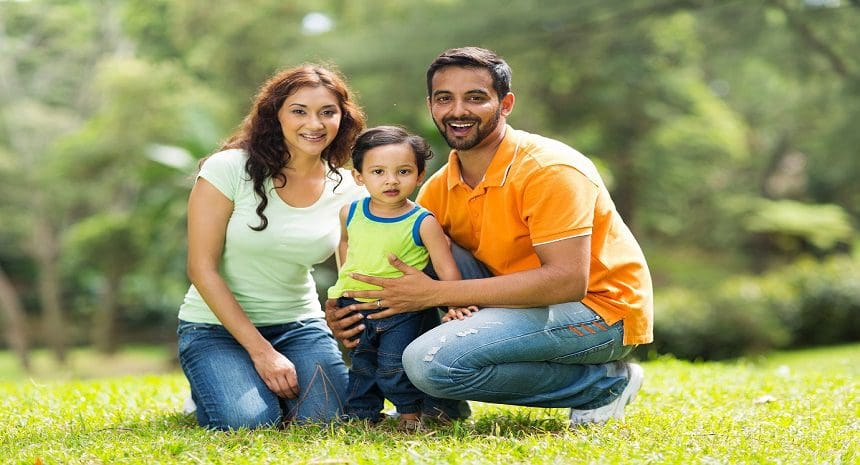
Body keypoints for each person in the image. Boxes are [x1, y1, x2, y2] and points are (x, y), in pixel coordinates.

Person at [326, 47, 653, 427]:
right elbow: (403, 272)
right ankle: (438, 407)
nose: (458, 111)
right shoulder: (436, 190)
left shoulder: (550, 170)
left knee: (430, 364)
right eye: (445, 98)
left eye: (476, 98)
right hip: (514, 303)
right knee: (422, 250)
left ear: (506, 103)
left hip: (599, 313)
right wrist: (352, 307)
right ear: (431, 105)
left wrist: (438, 294)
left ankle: (603, 384)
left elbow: (567, 281)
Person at [177, 64, 367, 430]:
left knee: (324, 421)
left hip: (299, 326)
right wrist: (262, 353)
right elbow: (201, 268)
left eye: (327, 112)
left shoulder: (349, 186)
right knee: (249, 422)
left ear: (342, 118)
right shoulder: (228, 169)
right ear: (275, 114)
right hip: (214, 329)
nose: (314, 124)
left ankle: (253, 384)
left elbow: (353, 270)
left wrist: (346, 314)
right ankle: (214, 384)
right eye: (299, 111)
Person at [327, 125, 476, 432]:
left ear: (420, 175)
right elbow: (344, 242)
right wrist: (344, 280)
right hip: (357, 304)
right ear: (359, 177)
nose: (391, 180)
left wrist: (454, 303)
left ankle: (411, 415)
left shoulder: (423, 221)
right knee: (363, 363)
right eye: (378, 171)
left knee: (394, 364)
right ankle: (361, 416)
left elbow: (446, 268)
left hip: (405, 310)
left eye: (403, 171)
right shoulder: (350, 212)